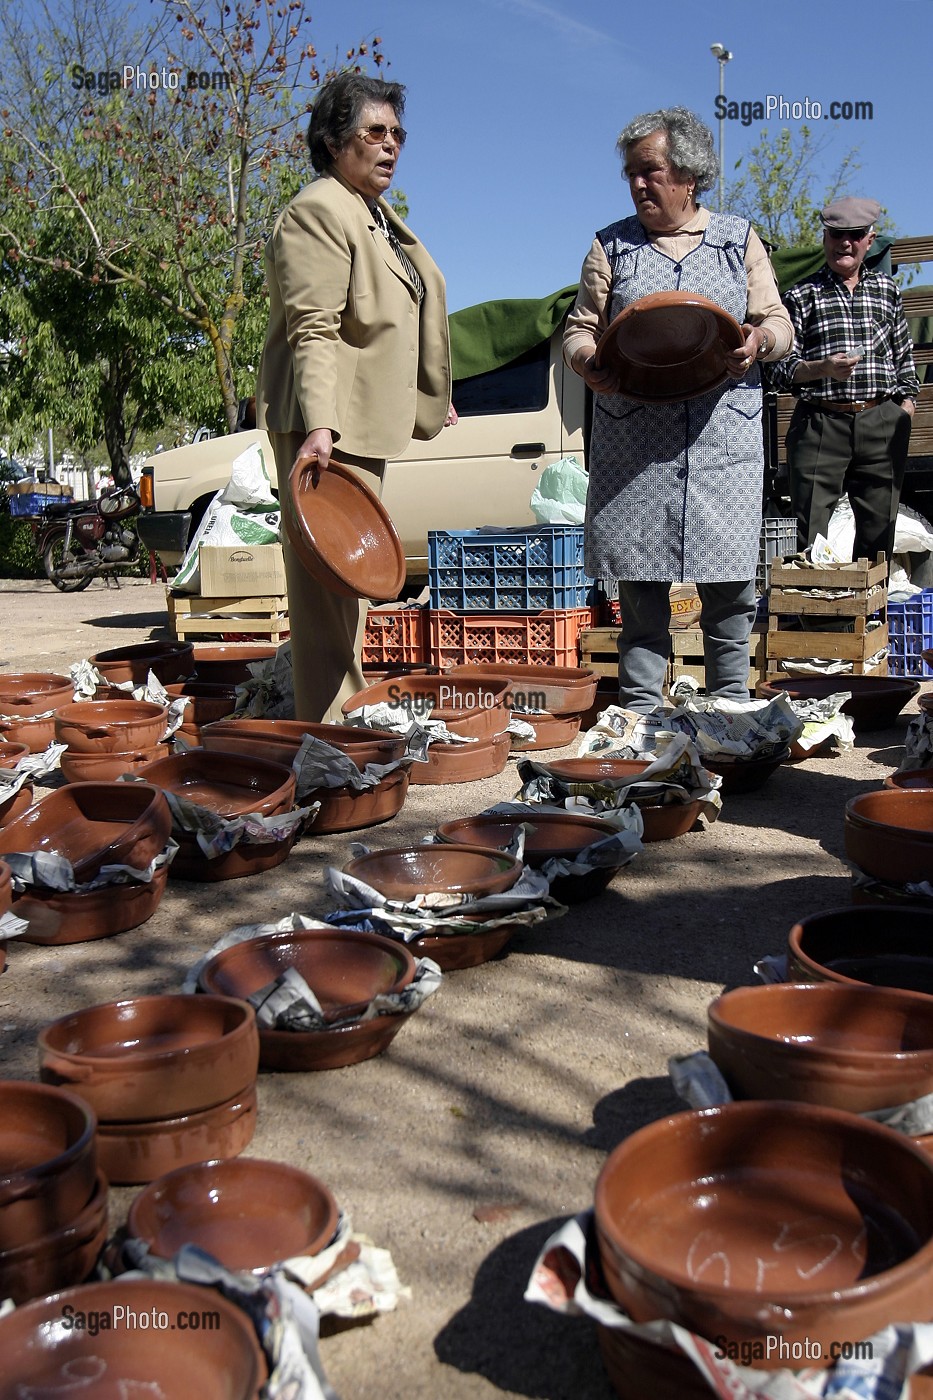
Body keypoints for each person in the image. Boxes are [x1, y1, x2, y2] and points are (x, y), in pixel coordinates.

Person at [564, 107, 793, 714]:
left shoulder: (737, 240)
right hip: (635, 442)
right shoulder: (609, 246)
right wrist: (590, 362)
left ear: (689, 175)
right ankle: (640, 721)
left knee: (730, 592)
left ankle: (730, 715)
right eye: (631, 174)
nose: (639, 184)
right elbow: (578, 331)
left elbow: (778, 325)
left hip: (722, 442)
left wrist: (757, 343)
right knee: (641, 595)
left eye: (651, 171)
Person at [257, 72, 453, 722]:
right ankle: (329, 742)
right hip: (327, 427)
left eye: (397, 133)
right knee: (326, 598)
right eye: (375, 131)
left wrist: (426, 391)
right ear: (334, 140)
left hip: (356, 425)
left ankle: (341, 727)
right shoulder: (319, 210)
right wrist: (320, 428)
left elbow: (385, 325)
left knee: (349, 591)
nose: (391, 144)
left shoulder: (370, 214)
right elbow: (313, 327)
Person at [769, 196, 919, 566]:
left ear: (870, 240)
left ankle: (870, 617)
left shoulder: (887, 291)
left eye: (854, 235)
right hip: (821, 422)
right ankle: (813, 620)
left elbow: (904, 358)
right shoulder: (803, 295)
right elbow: (779, 368)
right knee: (811, 532)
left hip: (880, 419)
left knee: (879, 530)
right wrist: (821, 368)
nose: (845, 243)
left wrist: (905, 408)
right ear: (825, 238)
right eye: (837, 235)